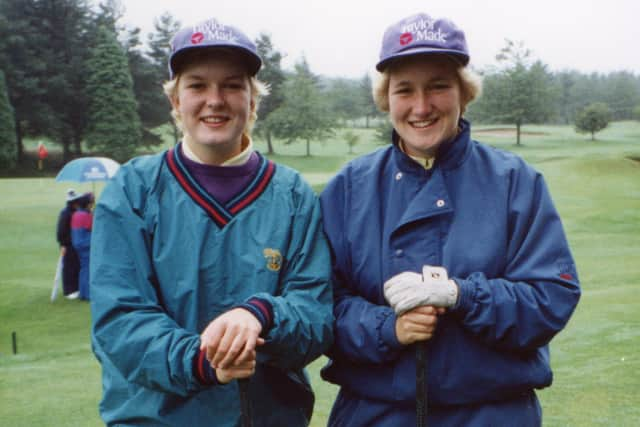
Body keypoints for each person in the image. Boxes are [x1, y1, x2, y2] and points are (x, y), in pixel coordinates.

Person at [319, 12, 581, 426]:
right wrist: (389, 328)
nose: (421, 106)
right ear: (387, 98)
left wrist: (462, 295)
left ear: (465, 92)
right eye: (405, 90)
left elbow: (551, 298)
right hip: (373, 414)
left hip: (494, 414)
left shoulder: (517, 182)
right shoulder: (348, 188)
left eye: (438, 86)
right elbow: (320, 307)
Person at [89, 17, 333, 427]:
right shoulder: (132, 190)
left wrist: (262, 313)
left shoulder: (292, 195)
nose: (215, 100)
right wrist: (202, 361)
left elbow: (316, 315)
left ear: (253, 100)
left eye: (233, 85)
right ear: (175, 101)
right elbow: (120, 320)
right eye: (197, 85)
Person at [56, 189, 80, 299]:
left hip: (75, 243)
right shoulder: (65, 213)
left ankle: (76, 288)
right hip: (67, 244)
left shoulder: (75, 212)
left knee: (76, 266)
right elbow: (60, 231)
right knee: (68, 267)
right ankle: (69, 291)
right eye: (74, 200)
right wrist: (63, 245)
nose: (76, 202)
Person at [70, 191, 94, 301]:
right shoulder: (86, 215)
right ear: (87, 204)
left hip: (77, 243)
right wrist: (92, 215)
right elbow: (92, 227)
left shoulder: (76, 214)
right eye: (91, 203)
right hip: (86, 244)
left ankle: (83, 293)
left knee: (84, 269)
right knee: (88, 269)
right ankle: (87, 294)